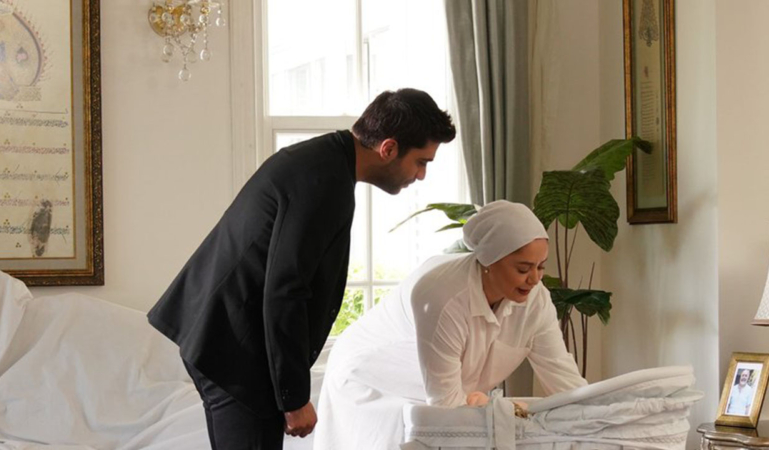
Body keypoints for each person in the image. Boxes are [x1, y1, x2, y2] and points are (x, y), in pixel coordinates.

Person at [146, 88, 456, 450]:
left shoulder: (325, 163)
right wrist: (293, 398)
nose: (421, 175)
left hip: (229, 339)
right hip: (232, 348)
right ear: (388, 148)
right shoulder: (324, 180)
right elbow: (286, 289)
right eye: (421, 162)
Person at [313, 200, 587, 450]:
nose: (535, 279)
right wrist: (496, 410)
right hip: (370, 381)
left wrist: (600, 413)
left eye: (541, 266)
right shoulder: (441, 296)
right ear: (489, 261)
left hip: (438, 394)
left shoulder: (536, 301)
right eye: (523, 269)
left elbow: (565, 382)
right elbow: (446, 409)